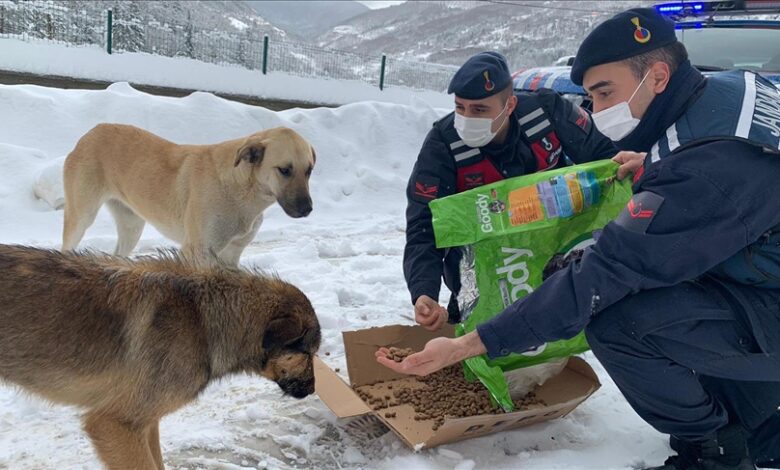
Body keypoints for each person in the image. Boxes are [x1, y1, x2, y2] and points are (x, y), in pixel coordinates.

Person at [383, 8, 780, 470]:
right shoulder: (737, 88)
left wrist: (467, 344)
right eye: (590, 96)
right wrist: (655, 168)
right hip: (760, 272)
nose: (594, 109)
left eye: (604, 92)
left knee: (618, 318)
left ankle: (713, 452)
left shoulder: (702, 168)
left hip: (764, 292)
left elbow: (604, 271)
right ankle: (760, 425)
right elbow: (422, 224)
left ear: (656, 76)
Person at [404, 51, 641, 332]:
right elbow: (424, 224)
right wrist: (424, 291)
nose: (467, 118)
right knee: (482, 340)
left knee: (556, 334)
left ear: (510, 104)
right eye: (460, 107)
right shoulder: (443, 144)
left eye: (479, 110)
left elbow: (606, 157)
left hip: (555, 253)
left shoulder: (547, 111)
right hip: (481, 269)